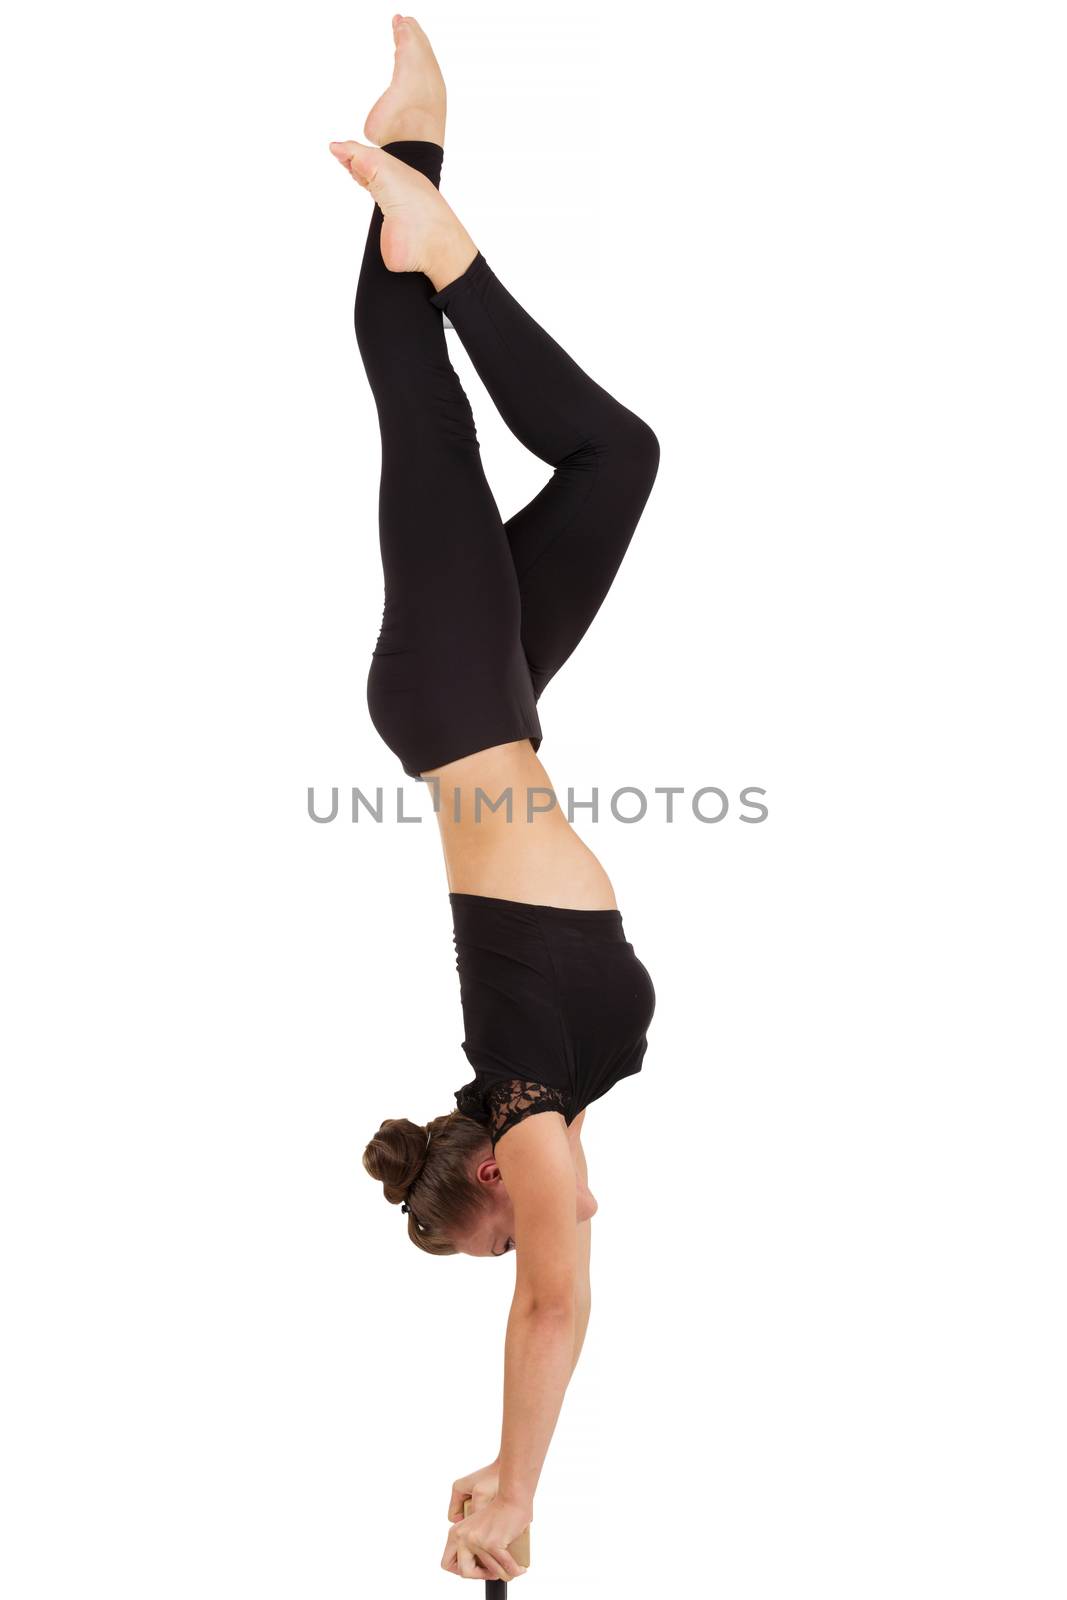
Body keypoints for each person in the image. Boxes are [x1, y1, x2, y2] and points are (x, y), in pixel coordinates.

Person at [330, 15, 659, 1581]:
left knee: (431, 425)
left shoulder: (525, 1089)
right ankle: (421, 179)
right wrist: (496, 1475)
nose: (544, 1226)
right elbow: (550, 1277)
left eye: (505, 1225)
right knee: (616, 462)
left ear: (484, 1177)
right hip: (493, 703)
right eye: (523, 1230)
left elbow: (552, 1302)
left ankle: (430, 205)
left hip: (461, 707)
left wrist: (521, 1484)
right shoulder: (581, 1080)